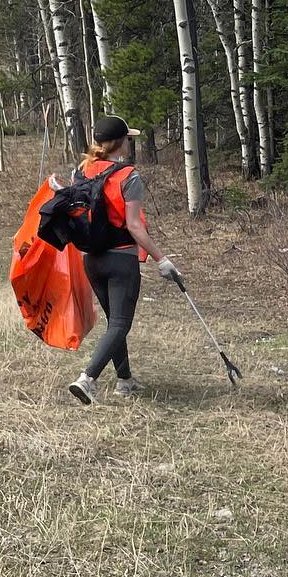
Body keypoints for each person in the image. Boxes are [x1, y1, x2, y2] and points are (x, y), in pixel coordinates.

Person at [65, 115, 179, 405]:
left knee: (115, 323)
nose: (130, 143)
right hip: (121, 259)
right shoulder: (129, 176)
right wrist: (161, 259)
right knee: (120, 324)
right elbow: (134, 225)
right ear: (120, 142)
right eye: (128, 138)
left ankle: (125, 381)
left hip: (91, 258)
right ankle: (87, 379)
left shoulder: (81, 171)